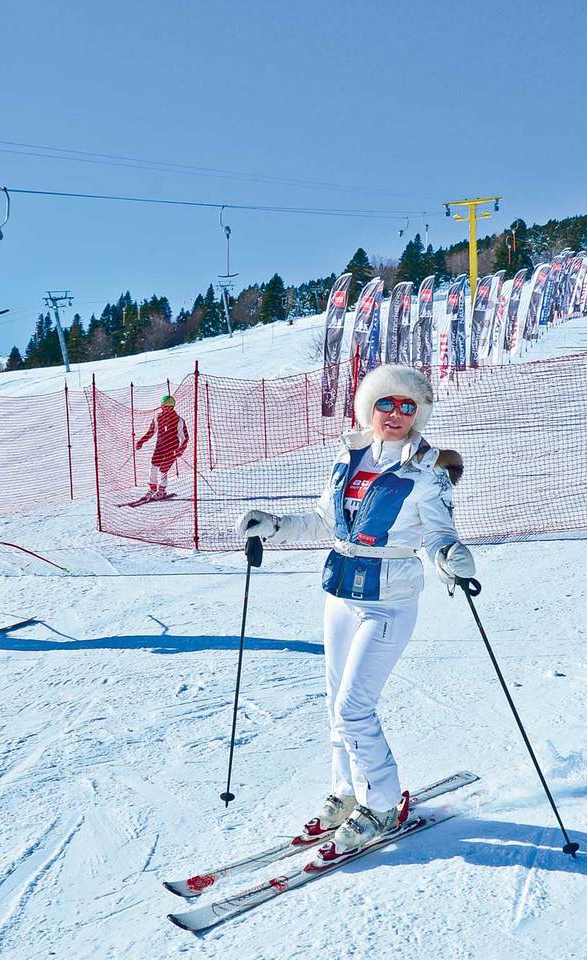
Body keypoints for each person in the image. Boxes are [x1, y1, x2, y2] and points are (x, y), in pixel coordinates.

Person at [236, 364, 475, 858]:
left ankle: (384, 802)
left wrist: (450, 558)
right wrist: (274, 525)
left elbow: (438, 534)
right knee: (334, 703)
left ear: (419, 414)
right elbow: (325, 521)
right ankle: (346, 791)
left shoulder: (426, 470)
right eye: (386, 403)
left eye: (408, 406)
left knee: (354, 708)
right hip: (341, 591)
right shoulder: (350, 457)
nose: (395, 414)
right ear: (369, 408)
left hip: (389, 600)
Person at [135, 394, 189, 499]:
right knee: (153, 467)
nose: (167, 409)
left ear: (173, 407)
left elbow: (185, 438)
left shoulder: (179, 420)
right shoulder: (157, 417)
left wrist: (180, 450)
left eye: (170, 406)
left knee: (163, 469)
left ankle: (161, 491)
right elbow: (151, 431)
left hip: (172, 448)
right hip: (159, 446)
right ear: (161, 406)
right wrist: (141, 441)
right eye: (165, 406)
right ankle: (152, 489)